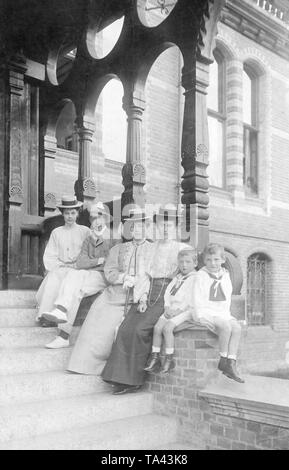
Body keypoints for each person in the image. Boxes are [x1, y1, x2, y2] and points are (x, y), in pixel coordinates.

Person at [101, 205, 190, 395]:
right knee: (126, 327)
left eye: (170, 226)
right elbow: (144, 275)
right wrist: (141, 298)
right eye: (162, 226)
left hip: (169, 295)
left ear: (176, 227)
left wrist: (177, 304)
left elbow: (189, 277)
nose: (165, 230)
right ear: (157, 227)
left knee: (141, 329)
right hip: (149, 293)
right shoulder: (152, 248)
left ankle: (133, 381)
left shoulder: (183, 249)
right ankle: (118, 377)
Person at [66, 209, 152, 375]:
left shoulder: (153, 249)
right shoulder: (118, 249)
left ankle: (110, 367)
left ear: (147, 229)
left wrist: (140, 287)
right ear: (130, 230)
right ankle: (85, 364)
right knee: (97, 314)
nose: (138, 231)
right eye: (134, 228)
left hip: (139, 294)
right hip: (114, 293)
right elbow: (110, 271)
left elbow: (153, 273)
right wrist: (123, 277)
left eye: (142, 227)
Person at [42, 202, 114, 349]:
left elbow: (110, 263)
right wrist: (99, 260)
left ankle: (63, 330)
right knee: (75, 284)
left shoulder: (113, 238)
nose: (96, 221)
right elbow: (80, 262)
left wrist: (96, 262)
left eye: (99, 217)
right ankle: (62, 325)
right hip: (86, 273)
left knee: (76, 277)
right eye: (93, 218)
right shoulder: (89, 238)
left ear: (105, 219)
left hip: (102, 276)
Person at [192, 243, 245, 383]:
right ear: (204, 261)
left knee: (237, 328)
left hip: (222, 312)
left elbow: (226, 297)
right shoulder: (201, 275)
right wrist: (199, 315)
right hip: (206, 310)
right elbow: (196, 297)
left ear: (222, 260)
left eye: (216, 259)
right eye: (209, 260)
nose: (212, 263)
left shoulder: (225, 275)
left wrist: (228, 316)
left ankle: (231, 362)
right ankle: (223, 360)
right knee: (226, 327)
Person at [35, 195, 90, 324]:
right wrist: (60, 266)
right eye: (67, 213)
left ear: (77, 214)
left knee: (70, 279)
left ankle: (63, 314)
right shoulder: (57, 232)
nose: (70, 216)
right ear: (63, 215)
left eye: (73, 213)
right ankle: (46, 316)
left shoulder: (85, 231)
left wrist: (78, 264)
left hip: (78, 268)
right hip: (61, 267)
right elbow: (50, 255)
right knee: (53, 278)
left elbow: (89, 252)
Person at [144, 247, 198, 375]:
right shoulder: (177, 277)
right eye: (181, 262)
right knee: (157, 328)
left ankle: (169, 359)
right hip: (171, 309)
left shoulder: (195, 278)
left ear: (195, 263)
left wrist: (178, 311)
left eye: (188, 262)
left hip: (185, 310)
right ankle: (155, 357)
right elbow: (167, 293)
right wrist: (167, 307)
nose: (184, 265)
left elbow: (192, 297)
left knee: (167, 328)